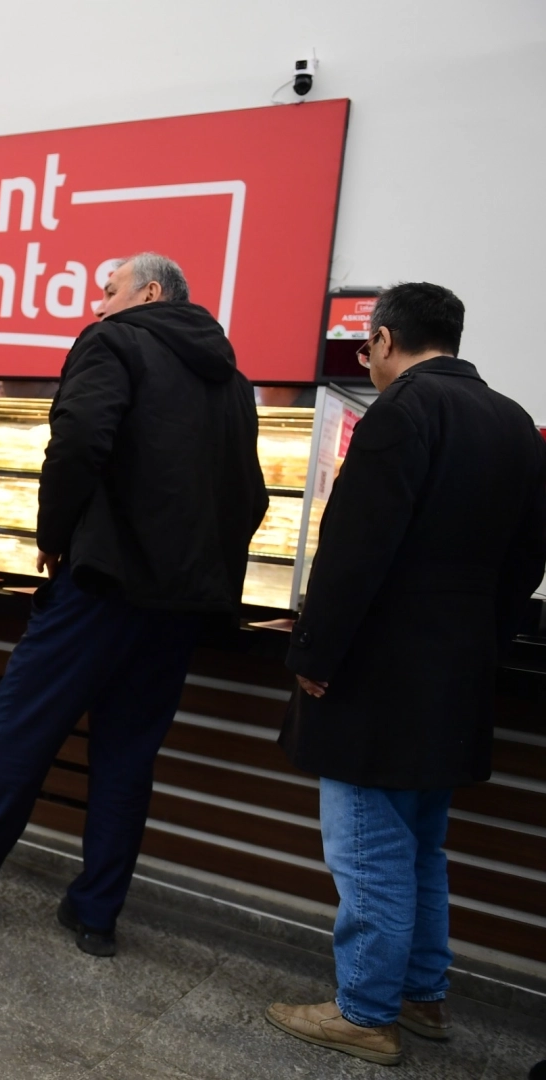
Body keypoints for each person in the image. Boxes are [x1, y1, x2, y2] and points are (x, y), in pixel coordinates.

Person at [0, 253, 268, 954]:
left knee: (19, 727)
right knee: (127, 756)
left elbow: (80, 441)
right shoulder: (233, 382)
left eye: (108, 290)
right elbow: (253, 496)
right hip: (179, 607)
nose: (97, 305)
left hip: (102, 585)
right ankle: (96, 913)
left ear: (149, 293)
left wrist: (55, 538)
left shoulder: (114, 342)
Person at [266, 283, 546, 1066]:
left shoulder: (400, 412)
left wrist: (314, 654)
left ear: (385, 340)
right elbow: (527, 559)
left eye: (369, 348)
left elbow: (355, 549)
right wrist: (480, 642)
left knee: (367, 850)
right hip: (456, 677)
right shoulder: (515, 423)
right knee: (422, 844)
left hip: (378, 677)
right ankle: (422, 993)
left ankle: (364, 1011)